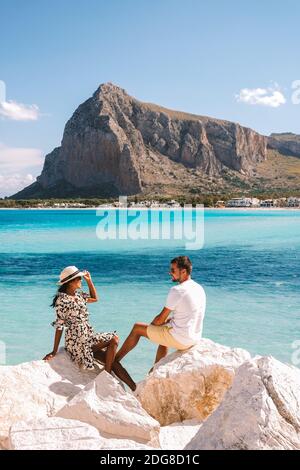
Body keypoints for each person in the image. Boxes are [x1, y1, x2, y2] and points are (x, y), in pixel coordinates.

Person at [43, 265, 136, 391]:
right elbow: (60, 326)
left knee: (113, 362)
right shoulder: (62, 300)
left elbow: (95, 298)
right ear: (70, 282)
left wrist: (89, 281)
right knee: (113, 339)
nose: (81, 281)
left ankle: (135, 388)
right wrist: (54, 351)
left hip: (88, 338)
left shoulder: (79, 295)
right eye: (79, 279)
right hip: (76, 342)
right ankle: (107, 375)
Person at [115, 256, 206, 367]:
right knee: (164, 330)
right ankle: (155, 369)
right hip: (194, 338)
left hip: (182, 340)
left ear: (183, 271)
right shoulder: (199, 288)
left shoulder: (177, 290)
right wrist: (167, 322)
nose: (170, 273)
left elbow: (159, 319)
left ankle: (115, 360)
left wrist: (153, 325)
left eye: (173, 270)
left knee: (137, 328)